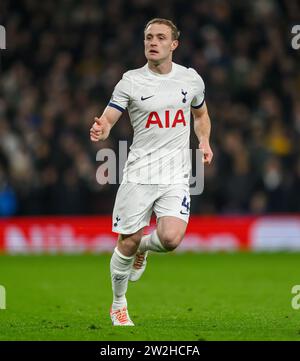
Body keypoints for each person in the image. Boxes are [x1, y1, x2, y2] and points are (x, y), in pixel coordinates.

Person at [90, 18, 213, 326]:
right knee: (126, 242)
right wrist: (102, 127)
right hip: (139, 173)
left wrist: (205, 141)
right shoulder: (130, 81)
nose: (152, 42)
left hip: (176, 173)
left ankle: (145, 248)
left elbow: (201, 114)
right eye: (148, 37)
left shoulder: (191, 79)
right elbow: (109, 115)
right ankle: (118, 304)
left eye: (160, 37)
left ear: (174, 45)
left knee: (171, 239)